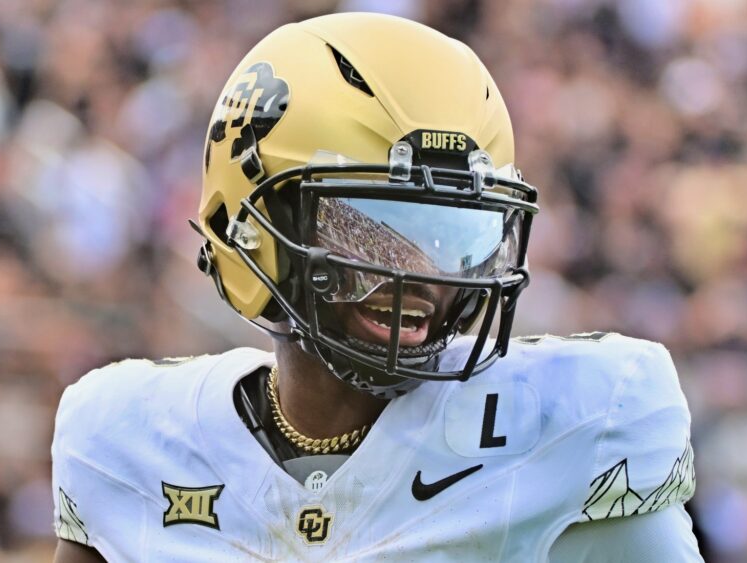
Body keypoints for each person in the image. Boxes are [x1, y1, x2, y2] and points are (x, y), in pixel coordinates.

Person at [51, 12, 702, 562]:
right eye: (375, 229)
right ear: (252, 227)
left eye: (456, 232)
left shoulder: (581, 419)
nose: (423, 272)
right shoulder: (123, 438)